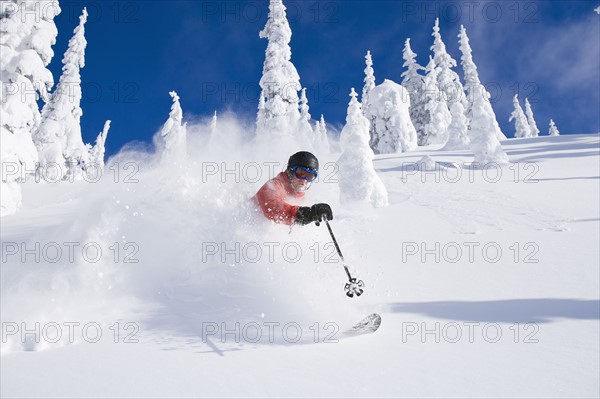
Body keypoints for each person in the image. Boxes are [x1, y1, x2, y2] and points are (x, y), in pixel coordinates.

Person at [253, 151, 333, 226]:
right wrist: (305, 214)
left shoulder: (300, 197)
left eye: (309, 176)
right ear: (290, 170)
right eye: (300, 173)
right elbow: (273, 210)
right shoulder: (273, 185)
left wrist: (317, 212)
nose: (304, 180)